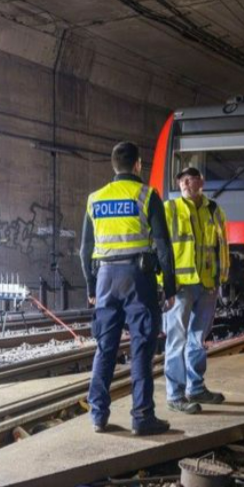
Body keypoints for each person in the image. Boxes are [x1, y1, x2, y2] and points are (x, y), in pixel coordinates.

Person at [80, 142, 176, 436]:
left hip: (106, 278)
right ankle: (142, 416)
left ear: (114, 166)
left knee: (105, 348)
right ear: (138, 165)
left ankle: (98, 416)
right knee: (141, 348)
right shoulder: (147, 195)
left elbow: (85, 249)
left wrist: (91, 287)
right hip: (138, 279)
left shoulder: (95, 198)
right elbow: (162, 245)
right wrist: (170, 287)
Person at [160, 167, 230, 414]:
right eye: (181, 180)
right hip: (180, 286)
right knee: (176, 340)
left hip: (207, 284)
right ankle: (176, 394)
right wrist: (164, 282)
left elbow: (222, 246)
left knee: (198, 340)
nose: (185, 183)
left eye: (190, 179)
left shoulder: (214, 210)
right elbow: (159, 247)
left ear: (202, 181)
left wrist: (221, 279)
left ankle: (196, 388)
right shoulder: (170, 209)